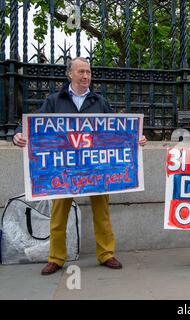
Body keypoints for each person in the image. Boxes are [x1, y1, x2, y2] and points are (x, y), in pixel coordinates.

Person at [13, 57, 147, 275]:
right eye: (81, 72)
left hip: (97, 170)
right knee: (58, 215)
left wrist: (134, 139)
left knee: (102, 213)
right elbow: (34, 123)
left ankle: (106, 254)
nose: (86, 76)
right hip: (64, 171)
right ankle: (56, 258)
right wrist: (18, 133)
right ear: (70, 74)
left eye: (88, 72)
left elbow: (115, 132)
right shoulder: (55, 100)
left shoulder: (99, 101)